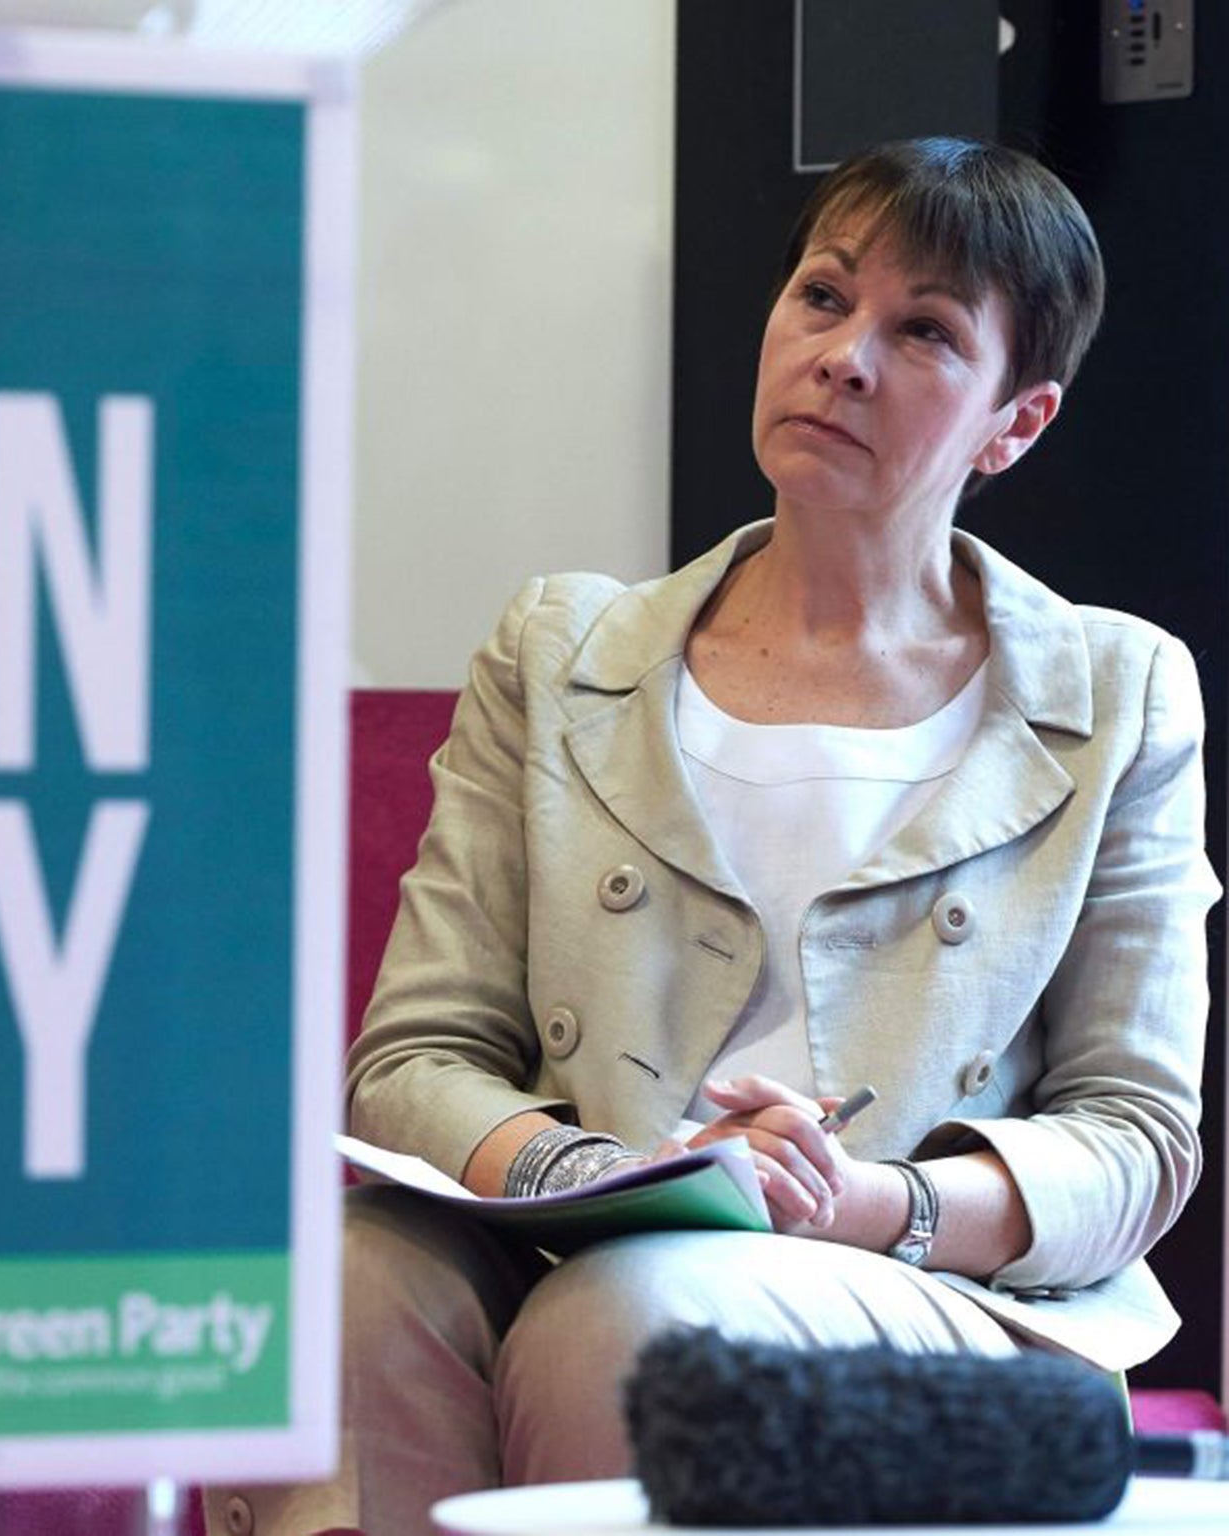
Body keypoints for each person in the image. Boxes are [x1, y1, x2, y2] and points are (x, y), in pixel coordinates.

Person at [208, 138, 1221, 1536]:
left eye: (922, 331)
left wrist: (875, 1202)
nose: (844, 356)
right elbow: (413, 1060)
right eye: (823, 297)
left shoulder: (1118, 692)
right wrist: (594, 1175)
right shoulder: (561, 649)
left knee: (636, 1317)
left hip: (938, 1293)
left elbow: (1136, 1139)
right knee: (342, 1281)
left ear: (1017, 423)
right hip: (574, 1230)